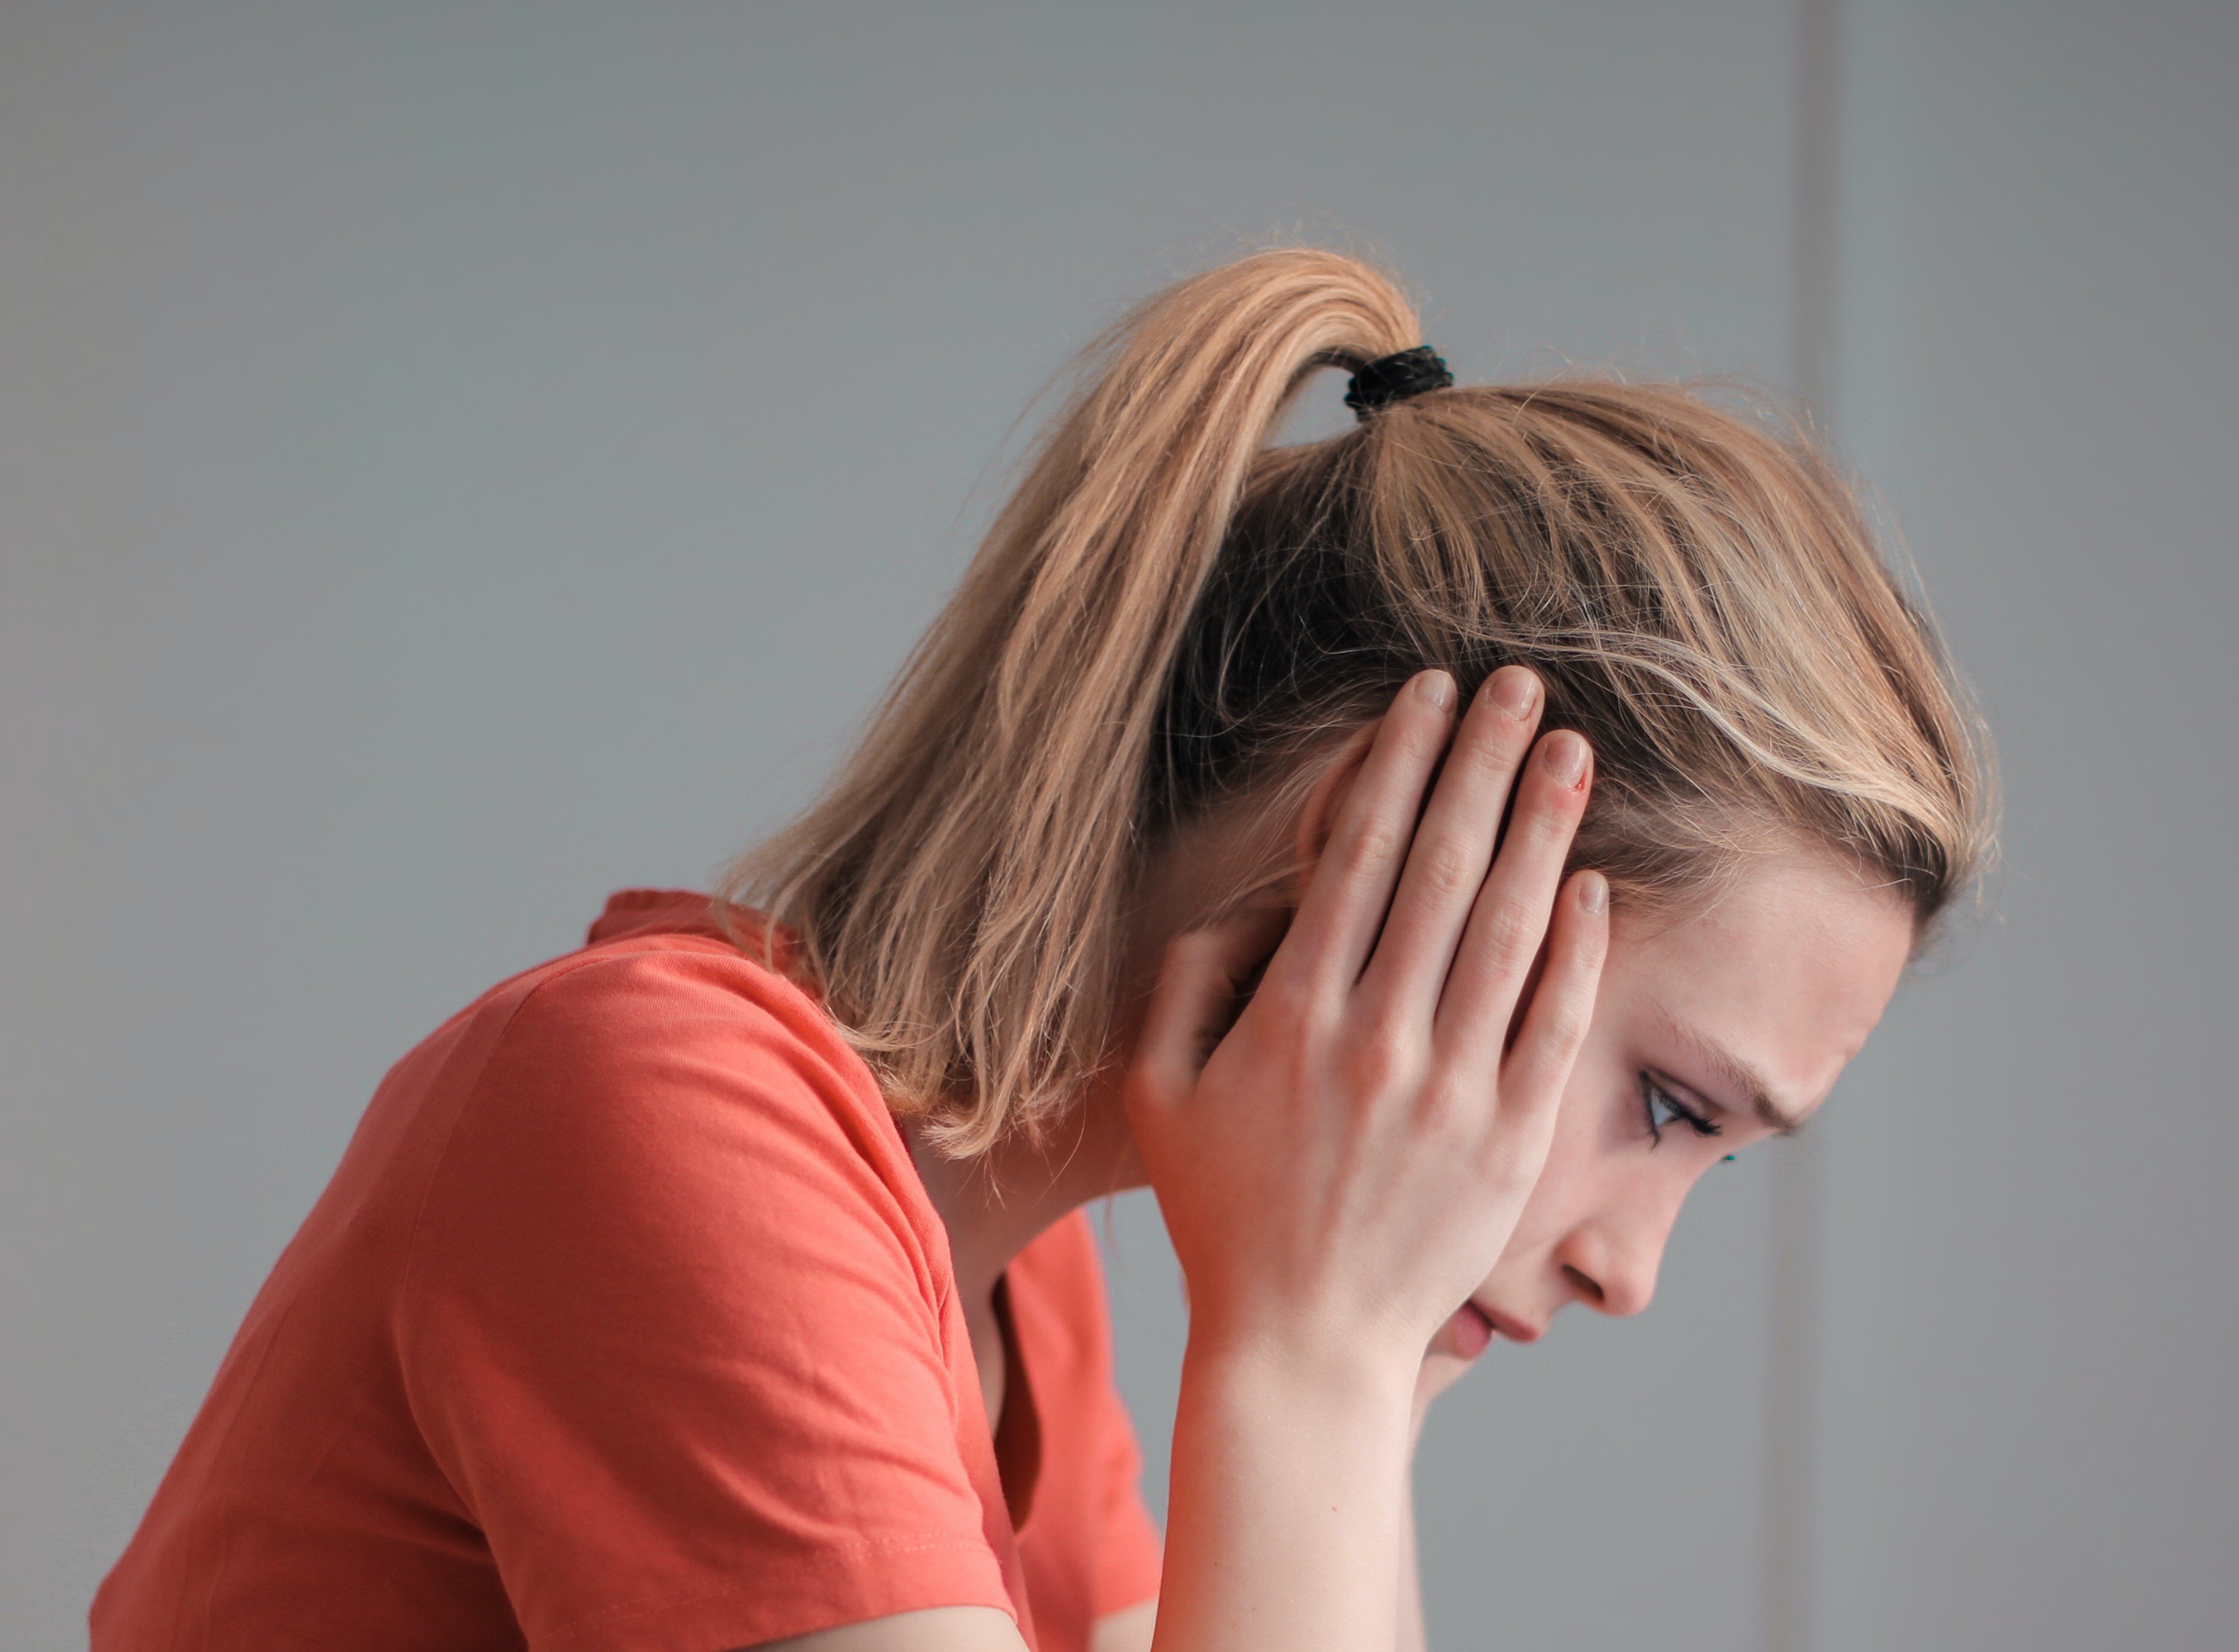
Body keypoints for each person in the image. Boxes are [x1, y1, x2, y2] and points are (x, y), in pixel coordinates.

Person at [91, 249, 1993, 1652]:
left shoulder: (1021, 1298)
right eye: (1667, 1103)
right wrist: (1314, 1362)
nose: (1635, 1268)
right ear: (1377, 854)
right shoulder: (666, 1116)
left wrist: (1355, 1386)